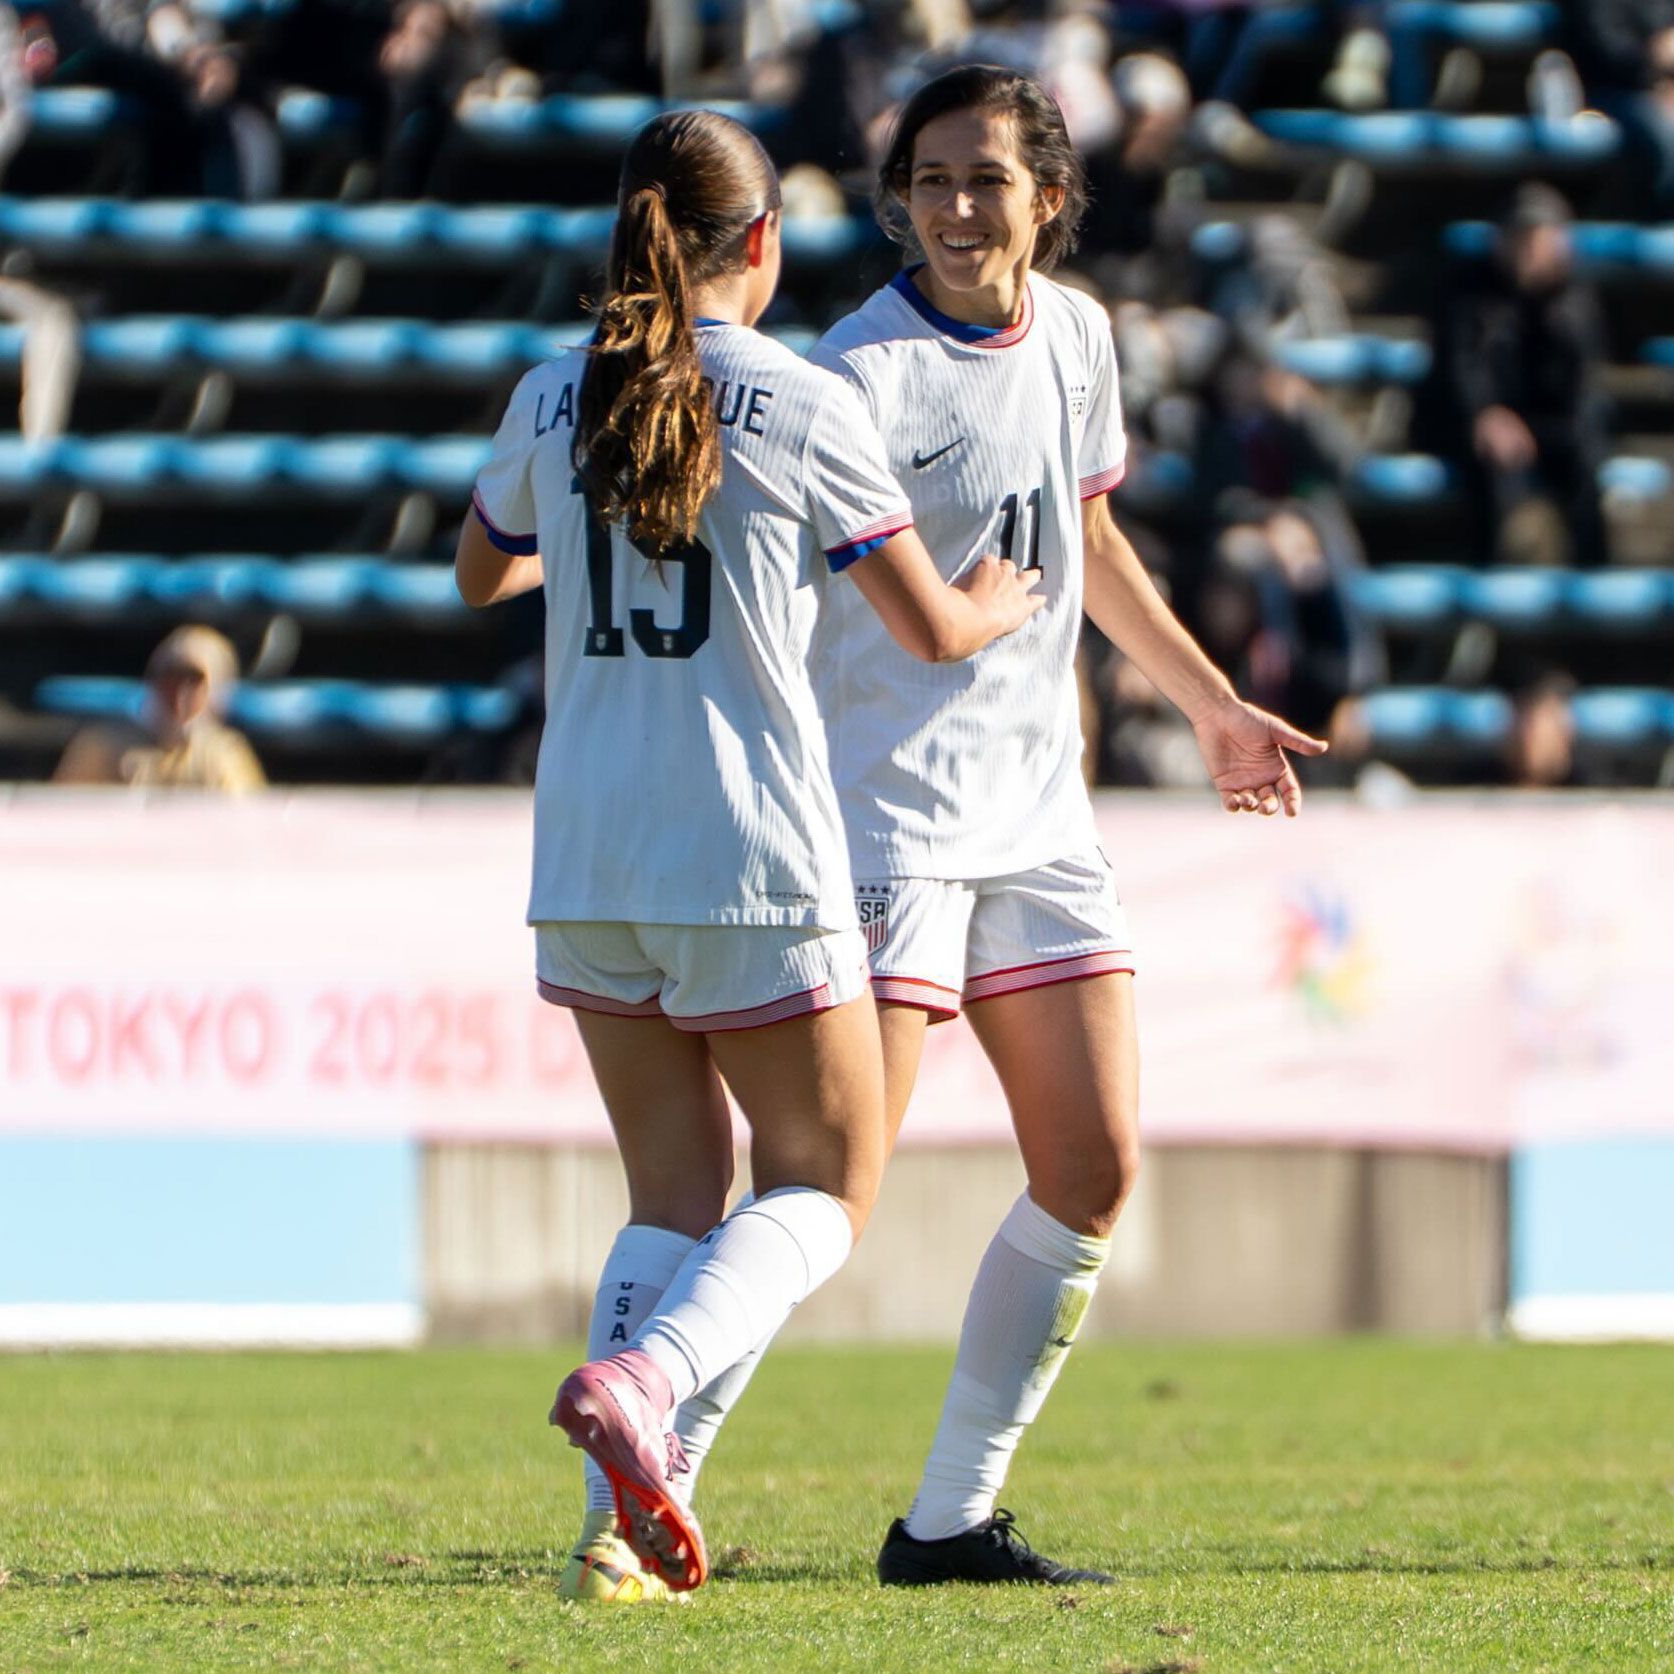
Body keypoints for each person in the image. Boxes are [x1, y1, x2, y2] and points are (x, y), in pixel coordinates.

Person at [586, 64, 1327, 1594]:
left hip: (1037, 814)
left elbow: (1088, 534)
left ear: (1047, 197)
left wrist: (1205, 706)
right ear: (894, 203)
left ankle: (945, 1523)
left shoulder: (1079, 334)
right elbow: (778, 601)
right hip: (883, 824)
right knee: (826, 1185)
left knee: (1095, 1163)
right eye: (927, 179)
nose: (953, 206)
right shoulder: (850, 369)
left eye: (983, 178)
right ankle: (636, 1500)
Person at [453, 108, 1041, 1599]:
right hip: (747, 853)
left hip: (587, 854)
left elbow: (477, 570)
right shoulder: (796, 399)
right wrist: (1008, 597)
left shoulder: (550, 393)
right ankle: (646, 1389)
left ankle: (614, 1536)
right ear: (762, 241)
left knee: (670, 1195)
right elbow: (928, 625)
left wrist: (594, 540)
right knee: (828, 1179)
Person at [53, 624, 266, 790]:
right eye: (170, 678)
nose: (181, 692)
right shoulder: (102, 746)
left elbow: (245, 826)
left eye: (194, 682)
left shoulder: (222, 756)